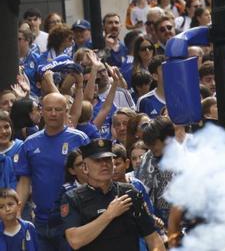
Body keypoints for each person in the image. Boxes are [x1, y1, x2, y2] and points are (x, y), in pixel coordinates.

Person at [14, 93, 89, 248]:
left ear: (66, 111)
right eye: (49, 109)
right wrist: (17, 212)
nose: (53, 113)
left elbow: (90, 176)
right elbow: (24, 181)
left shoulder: (80, 139)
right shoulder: (30, 143)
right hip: (41, 221)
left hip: (72, 219)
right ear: (41, 111)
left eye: (58, 109)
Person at [63, 139, 163, 251]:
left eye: (108, 159)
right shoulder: (73, 198)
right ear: (85, 167)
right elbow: (75, 241)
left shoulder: (130, 192)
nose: (104, 164)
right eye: (98, 161)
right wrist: (109, 214)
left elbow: (152, 237)